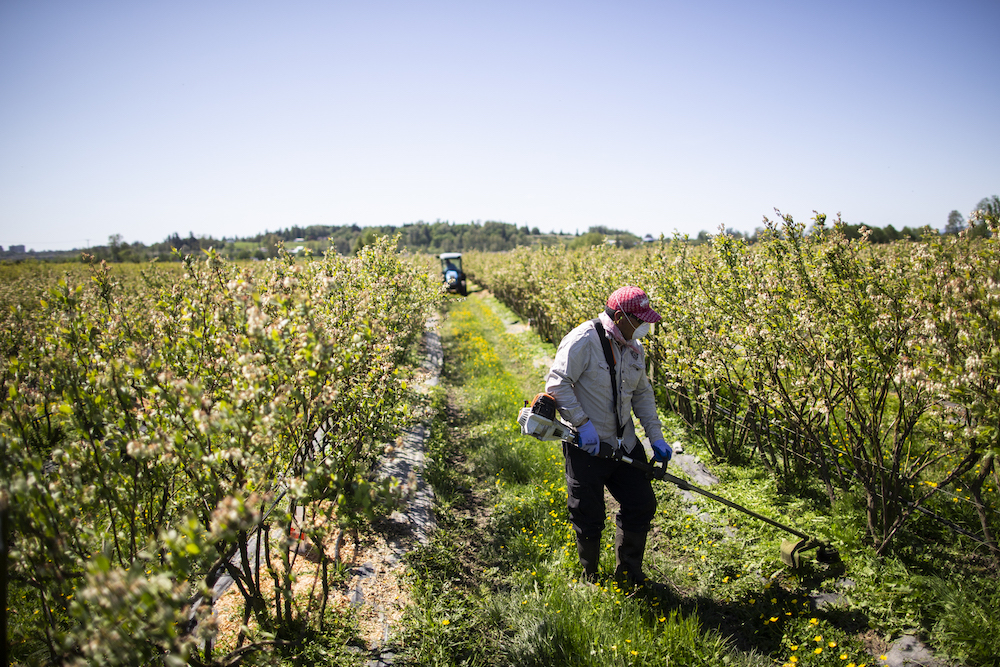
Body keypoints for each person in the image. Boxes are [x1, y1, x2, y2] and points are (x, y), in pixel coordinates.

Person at [544, 286, 672, 588]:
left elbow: (642, 393)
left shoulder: (633, 346)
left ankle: (629, 574)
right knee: (588, 513)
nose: (643, 326)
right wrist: (583, 424)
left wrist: (656, 437)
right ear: (619, 316)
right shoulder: (583, 340)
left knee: (641, 503)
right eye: (638, 320)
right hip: (586, 445)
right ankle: (590, 577)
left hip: (623, 442)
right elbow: (557, 383)